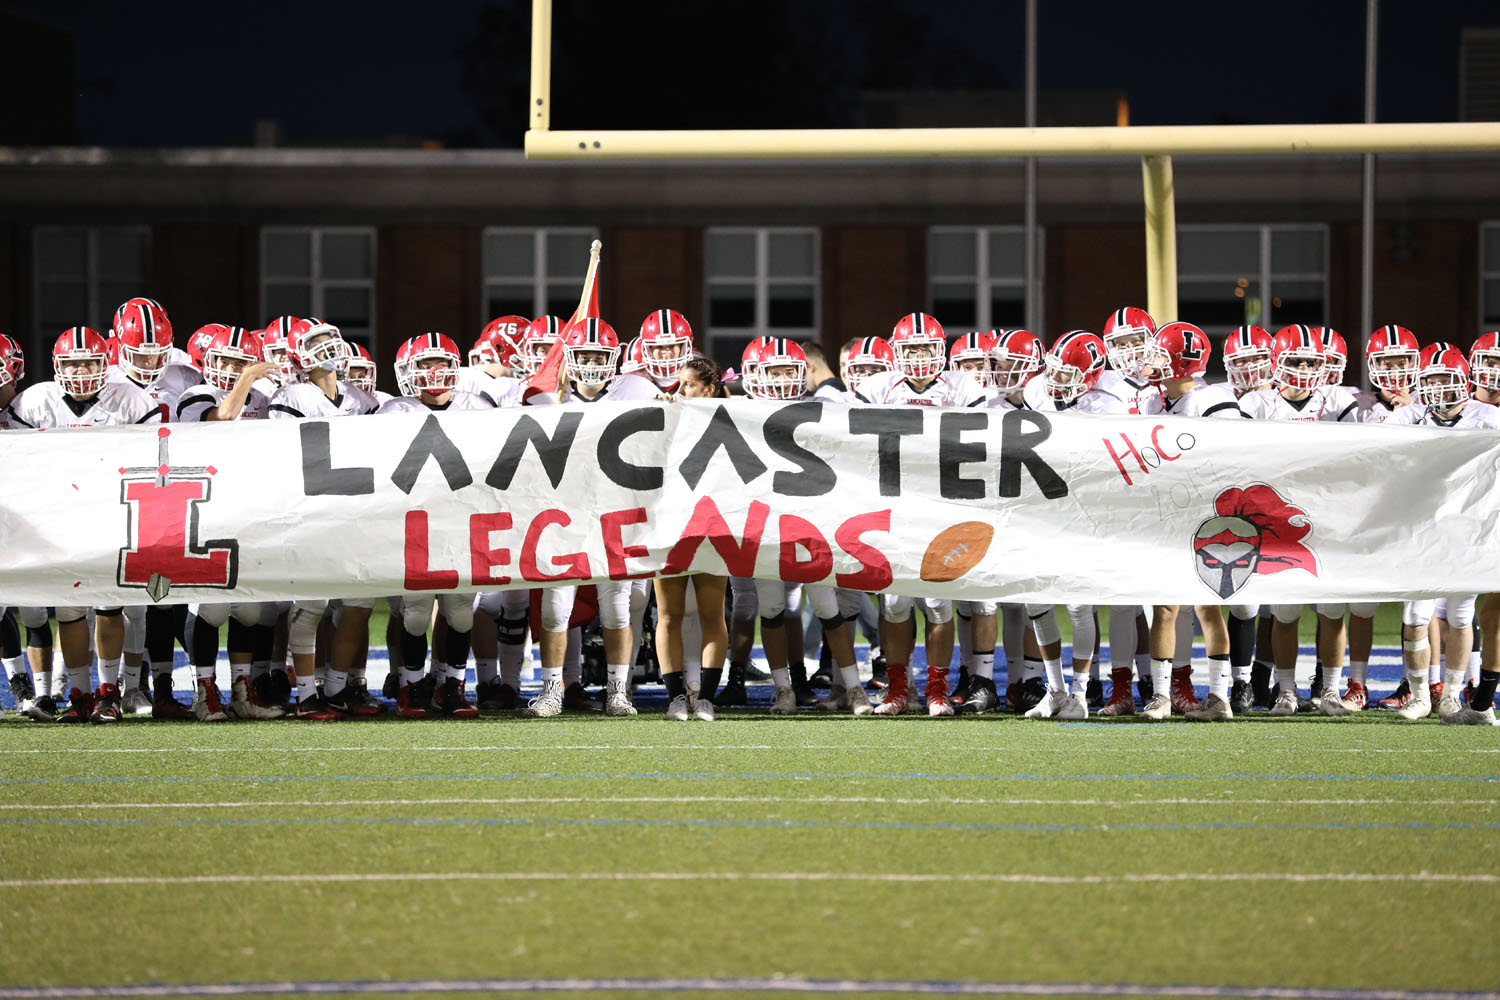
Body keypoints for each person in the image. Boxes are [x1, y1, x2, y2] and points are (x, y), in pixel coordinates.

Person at [10, 328, 161, 723]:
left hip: (111, 513)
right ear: (57, 367)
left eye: (90, 362)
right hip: (55, 520)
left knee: (109, 606)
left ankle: (109, 693)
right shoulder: (34, 402)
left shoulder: (131, 400)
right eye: (73, 363)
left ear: (104, 363)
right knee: (69, 608)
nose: (81, 370)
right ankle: (79, 694)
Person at [267, 319, 379, 721]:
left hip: (356, 511)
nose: (329, 346)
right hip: (313, 509)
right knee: (312, 603)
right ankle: (305, 694)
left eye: (331, 337)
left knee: (359, 602)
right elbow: (285, 456)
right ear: (300, 352)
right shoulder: (291, 395)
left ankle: (335, 688)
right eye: (317, 341)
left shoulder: (361, 398)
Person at [1138, 323, 1244, 721]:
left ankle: (1219, 697)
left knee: (1208, 607)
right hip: (1167, 513)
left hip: (1207, 512)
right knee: (1164, 604)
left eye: (1160, 356)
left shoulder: (1212, 399)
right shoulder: (1152, 402)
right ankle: (1162, 696)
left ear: (1183, 362)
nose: (1151, 363)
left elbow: (1234, 454)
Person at [655, 357, 730, 721]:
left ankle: (704, 698)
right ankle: (675, 698)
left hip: (711, 526)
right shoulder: (667, 417)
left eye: (687, 385)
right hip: (670, 525)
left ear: (709, 389)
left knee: (712, 614)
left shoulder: (729, 421)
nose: (678, 391)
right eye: (678, 384)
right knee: (668, 615)